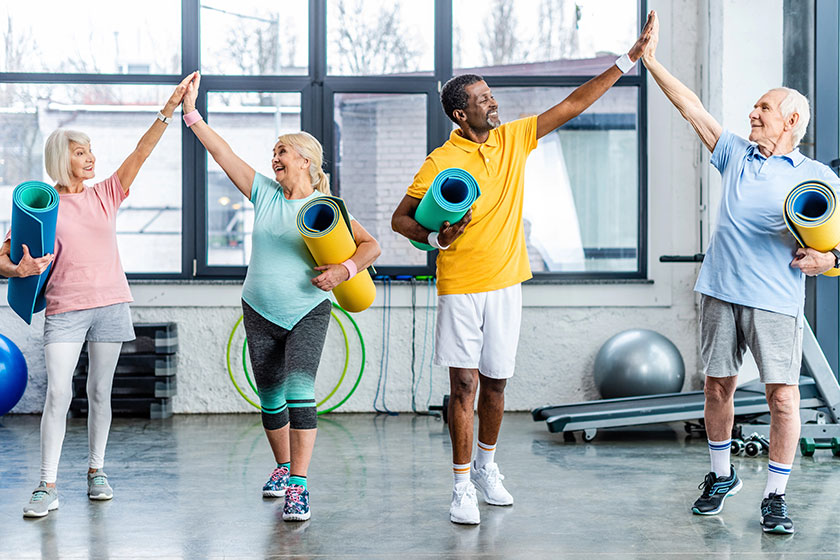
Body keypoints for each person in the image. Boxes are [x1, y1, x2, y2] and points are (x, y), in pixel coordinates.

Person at [391, 14, 654, 525]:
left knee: (496, 385)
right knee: (463, 385)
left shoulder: (513, 140)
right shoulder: (440, 161)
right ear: (459, 113)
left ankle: (488, 468)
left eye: (491, 94)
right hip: (461, 283)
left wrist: (629, 58)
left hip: (507, 282)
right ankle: (462, 484)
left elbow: (574, 103)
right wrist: (433, 237)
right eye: (483, 97)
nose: (493, 101)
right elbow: (400, 219)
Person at [641, 11, 840, 534]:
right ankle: (721, 475)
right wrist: (652, 61)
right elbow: (692, 108)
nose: (753, 112)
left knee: (782, 397)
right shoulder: (736, 155)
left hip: (775, 300)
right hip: (720, 293)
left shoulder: (819, 178)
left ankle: (775, 496)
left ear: (791, 121)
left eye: (764, 108)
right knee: (716, 388)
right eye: (754, 105)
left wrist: (830, 260)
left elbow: (834, 247)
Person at [180, 72, 380, 521]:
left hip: (308, 309)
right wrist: (191, 113)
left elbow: (372, 246)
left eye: (282, 151)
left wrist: (343, 270)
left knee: (298, 389)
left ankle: (300, 487)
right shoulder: (265, 195)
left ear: (306, 160)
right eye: (274, 152)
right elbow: (222, 153)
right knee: (270, 396)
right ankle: (283, 468)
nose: (275, 158)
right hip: (258, 308)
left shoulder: (327, 208)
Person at [1, 73, 195, 518]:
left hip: (110, 303)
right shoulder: (40, 204)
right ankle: (46, 485)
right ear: (60, 158)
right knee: (58, 395)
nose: (91, 158)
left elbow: (140, 154)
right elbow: (4, 258)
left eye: (91, 151)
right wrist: (20, 268)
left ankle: (96, 471)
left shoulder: (107, 193)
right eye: (81, 151)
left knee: (100, 392)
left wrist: (168, 110)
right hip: (66, 309)